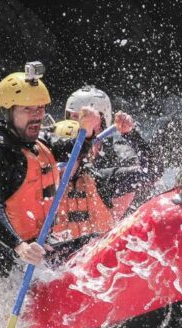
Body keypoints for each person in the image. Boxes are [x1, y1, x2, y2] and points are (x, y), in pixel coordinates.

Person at [0, 63, 101, 277]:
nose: (37, 115)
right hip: (9, 254)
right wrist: (19, 247)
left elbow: (74, 150)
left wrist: (87, 130)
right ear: (8, 111)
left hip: (41, 244)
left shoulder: (38, 142)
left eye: (41, 108)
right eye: (28, 109)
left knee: (98, 243)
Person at [41, 86, 163, 264]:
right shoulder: (41, 172)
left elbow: (151, 171)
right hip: (56, 257)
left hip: (106, 234)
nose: (82, 122)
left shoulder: (104, 174)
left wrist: (131, 135)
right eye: (73, 117)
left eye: (87, 117)